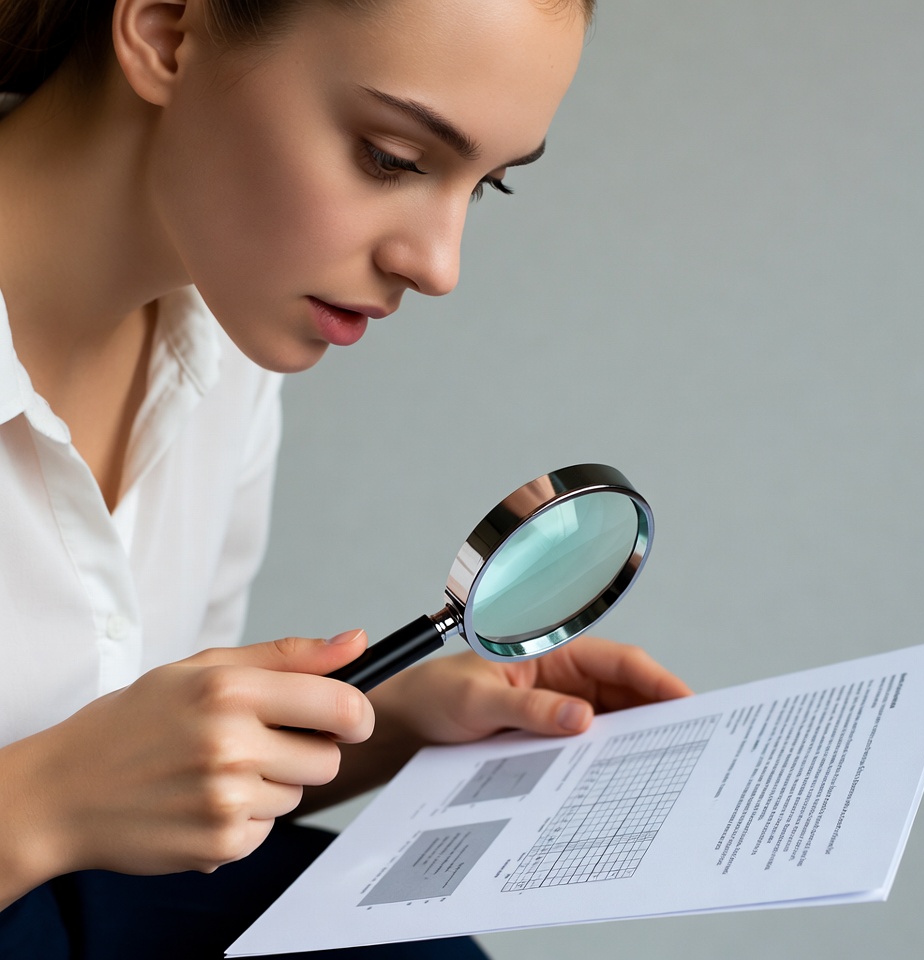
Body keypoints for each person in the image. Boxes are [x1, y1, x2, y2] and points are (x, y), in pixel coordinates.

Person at [0, 0, 691, 956]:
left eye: (486, 185)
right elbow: (72, 808)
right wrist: (41, 803)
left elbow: (129, 808)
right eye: (392, 157)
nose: (439, 265)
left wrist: (391, 722)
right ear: (165, 31)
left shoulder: (223, 362)